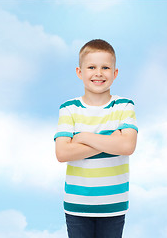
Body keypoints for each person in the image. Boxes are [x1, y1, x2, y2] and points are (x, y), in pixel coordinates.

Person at [54, 39, 138, 238]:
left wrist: (82, 138)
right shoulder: (69, 108)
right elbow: (62, 153)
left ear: (115, 73)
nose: (98, 73)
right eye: (91, 67)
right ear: (79, 72)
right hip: (77, 206)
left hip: (113, 205)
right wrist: (111, 140)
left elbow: (127, 146)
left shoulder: (125, 106)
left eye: (105, 67)